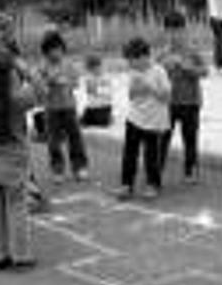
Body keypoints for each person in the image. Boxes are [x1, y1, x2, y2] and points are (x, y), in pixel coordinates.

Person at [0, 44, 39, 271]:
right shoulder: (16, 97)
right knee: (17, 206)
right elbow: (38, 89)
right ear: (7, 73)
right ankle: (21, 256)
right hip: (14, 158)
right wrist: (24, 68)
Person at [116, 37, 171, 200]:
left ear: (143, 57)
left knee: (151, 155)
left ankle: (153, 184)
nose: (130, 64)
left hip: (154, 121)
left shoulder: (159, 71)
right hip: (135, 118)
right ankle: (126, 184)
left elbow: (166, 97)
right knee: (129, 153)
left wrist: (149, 87)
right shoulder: (133, 72)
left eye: (132, 60)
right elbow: (131, 96)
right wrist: (135, 89)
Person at [158, 11, 208, 185]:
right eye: (170, 31)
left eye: (177, 31)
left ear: (184, 30)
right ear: (165, 32)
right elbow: (155, 74)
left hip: (190, 102)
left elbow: (205, 71)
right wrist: (164, 66)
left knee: (190, 139)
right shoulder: (163, 53)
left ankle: (190, 171)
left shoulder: (192, 50)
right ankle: (156, 171)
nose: (174, 36)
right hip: (169, 103)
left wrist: (186, 67)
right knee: (163, 138)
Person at [36, 31, 89, 183]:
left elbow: (76, 82)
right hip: (51, 108)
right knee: (53, 141)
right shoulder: (43, 66)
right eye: (51, 51)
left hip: (69, 106)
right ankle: (57, 169)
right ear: (46, 53)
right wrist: (49, 81)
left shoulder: (68, 63)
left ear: (62, 49)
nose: (55, 53)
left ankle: (79, 167)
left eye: (58, 49)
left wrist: (67, 82)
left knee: (75, 137)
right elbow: (39, 86)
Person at [78, 54, 113, 127]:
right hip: (91, 107)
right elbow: (89, 92)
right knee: (83, 122)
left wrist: (96, 89)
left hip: (103, 107)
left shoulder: (106, 78)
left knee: (102, 123)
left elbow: (108, 94)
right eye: (91, 70)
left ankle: (109, 118)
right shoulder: (88, 78)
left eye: (98, 67)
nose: (96, 71)